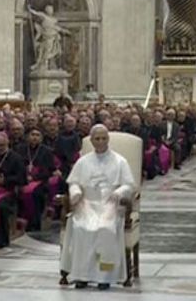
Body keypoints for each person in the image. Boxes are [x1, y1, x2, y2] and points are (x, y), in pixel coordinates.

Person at [61, 124, 137, 290]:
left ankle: (105, 275)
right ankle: (81, 275)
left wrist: (119, 192)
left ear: (108, 139)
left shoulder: (119, 161)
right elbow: (74, 181)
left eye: (104, 138)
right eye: (97, 138)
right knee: (81, 228)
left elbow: (129, 185)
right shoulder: (83, 161)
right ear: (92, 140)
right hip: (87, 204)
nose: (101, 142)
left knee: (105, 228)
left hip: (109, 205)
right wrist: (75, 192)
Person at [18, 127, 58, 230]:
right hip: (23, 179)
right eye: (32, 135)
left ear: (41, 138)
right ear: (27, 137)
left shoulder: (47, 151)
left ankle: (34, 223)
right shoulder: (20, 149)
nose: (35, 137)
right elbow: (17, 166)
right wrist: (25, 176)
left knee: (36, 193)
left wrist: (34, 177)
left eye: (37, 135)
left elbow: (49, 170)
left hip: (40, 180)